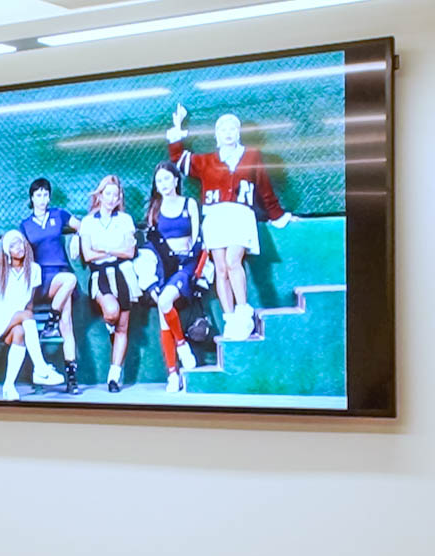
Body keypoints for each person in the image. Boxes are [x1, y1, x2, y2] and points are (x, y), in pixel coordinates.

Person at [167, 104, 296, 340]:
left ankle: (243, 311)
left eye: (232, 128)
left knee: (232, 260)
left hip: (240, 215)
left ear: (238, 133)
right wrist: (177, 130)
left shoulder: (252, 155)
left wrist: (278, 215)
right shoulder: (206, 161)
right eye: (223, 129)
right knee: (221, 268)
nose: (228, 133)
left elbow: (264, 188)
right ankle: (230, 320)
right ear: (217, 135)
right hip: (215, 216)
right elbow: (179, 160)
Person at [144, 161, 205, 392]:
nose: (163, 184)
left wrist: (198, 269)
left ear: (176, 180)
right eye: (159, 181)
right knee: (163, 314)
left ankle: (182, 345)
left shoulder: (189, 204)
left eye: (167, 179)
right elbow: (150, 244)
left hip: (186, 266)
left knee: (164, 301)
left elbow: (199, 238)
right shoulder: (154, 209)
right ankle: (172, 374)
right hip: (164, 268)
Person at [19, 178, 81, 393]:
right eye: (38, 195)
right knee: (71, 280)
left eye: (45, 195)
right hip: (42, 280)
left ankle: (71, 380)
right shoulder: (25, 226)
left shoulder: (59, 215)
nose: (42, 199)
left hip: (61, 275)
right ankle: (51, 320)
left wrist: (76, 238)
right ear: (31, 198)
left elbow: (81, 226)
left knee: (68, 327)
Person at [78, 175, 139, 393]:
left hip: (124, 274)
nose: (112, 198)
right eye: (108, 193)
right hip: (100, 276)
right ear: (100, 195)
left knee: (123, 327)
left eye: (116, 194)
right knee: (112, 313)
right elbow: (87, 254)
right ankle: (109, 324)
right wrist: (113, 250)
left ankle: (113, 376)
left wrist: (104, 250)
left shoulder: (125, 220)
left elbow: (129, 251)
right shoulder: (87, 222)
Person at [0, 230, 44, 401]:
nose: (19, 247)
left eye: (20, 243)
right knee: (25, 315)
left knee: (20, 332)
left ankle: (9, 386)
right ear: (7, 251)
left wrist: (28, 321)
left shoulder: (34, 270)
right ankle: (40, 367)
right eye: (13, 245)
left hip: (15, 322)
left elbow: (30, 303)